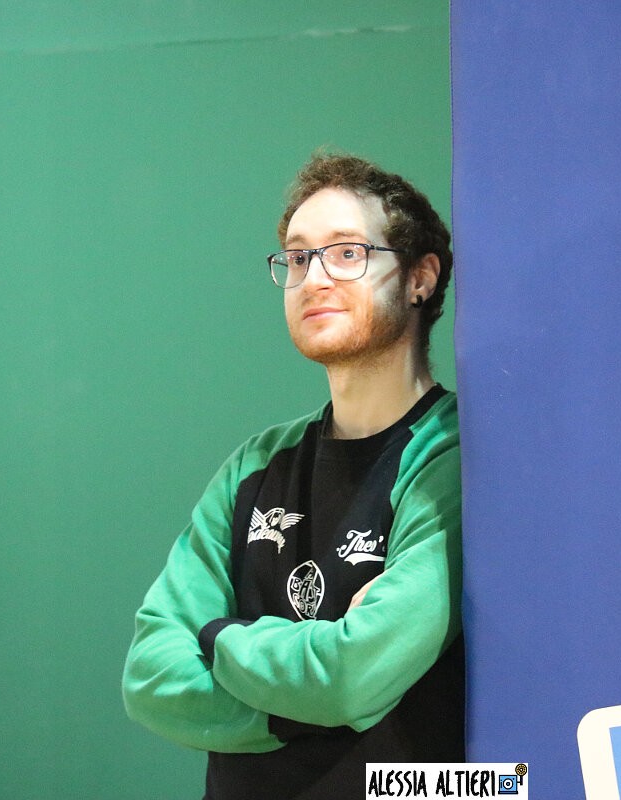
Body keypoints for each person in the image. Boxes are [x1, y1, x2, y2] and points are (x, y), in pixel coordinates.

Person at [122, 152, 463, 799]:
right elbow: (150, 678)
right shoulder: (253, 466)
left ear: (420, 278)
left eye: (347, 253)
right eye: (299, 257)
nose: (314, 278)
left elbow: (350, 678)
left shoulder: (453, 457)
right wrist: (305, 698)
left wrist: (218, 636)